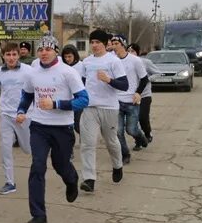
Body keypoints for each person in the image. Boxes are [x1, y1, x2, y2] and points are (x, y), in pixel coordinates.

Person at [15, 35, 88, 223]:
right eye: (40, 50)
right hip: (39, 126)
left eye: (48, 49)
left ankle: (71, 180)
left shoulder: (67, 72)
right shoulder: (33, 70)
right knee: (37, 166)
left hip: (62, 128)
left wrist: (56, 104)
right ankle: (39, 215)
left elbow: (83, 100)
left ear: (56, 50)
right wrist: (21, 110)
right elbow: (27, 95)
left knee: (60, 164)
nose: (44, 53)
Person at [78, 30, 128, 194]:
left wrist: (109, 80)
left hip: (109, 107)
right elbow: (81, 84)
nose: (94, 45)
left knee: (111, 141)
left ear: (105, 44)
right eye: (92, 42)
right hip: (90, 107)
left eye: (98, 42)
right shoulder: (86, 62)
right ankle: (89, 179)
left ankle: (117, 165)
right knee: (87, 143)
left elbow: (124, 85)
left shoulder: (113, 61)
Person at [0, 41, 32, 195]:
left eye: (14, 54)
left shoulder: (28, 71)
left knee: (27, 148)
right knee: (5, 148)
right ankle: (10, 182)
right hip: (5, 114)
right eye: (8, 55)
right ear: (3, 56)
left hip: (24, 115)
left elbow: (35, 91)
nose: (11, 58)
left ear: (18, 55)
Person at [109, 35, 149, 162]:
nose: (114, 46)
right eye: (112, 43)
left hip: (132, 101)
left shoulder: (135, 60)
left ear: (123, 44)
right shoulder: (111, 61)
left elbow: (144, 79)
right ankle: (125, 154)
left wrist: (138, 92)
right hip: (116, 101)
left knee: (131, 129)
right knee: (118, 131)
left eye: (116, 43)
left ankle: (141, 137)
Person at [129, 43, 157, 146]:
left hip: (144, 95)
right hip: (131, 96)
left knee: (142, 117)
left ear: (138, 52)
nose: (130, 53)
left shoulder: (145, 62)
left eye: (133, 51)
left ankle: (147, 133)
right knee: (133, 120)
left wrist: (147, 80)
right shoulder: (124, 63)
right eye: (129, 51)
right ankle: (138, 140)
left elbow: (157, 73)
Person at [61, 45, 84, 135]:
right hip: (66, 99)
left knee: (78, 126)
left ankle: (85, 142)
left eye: (69, 56)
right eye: (65, 57)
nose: (67, 59)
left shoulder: (82, 66)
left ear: (75, 55)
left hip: (77, 100)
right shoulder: (62, 67)